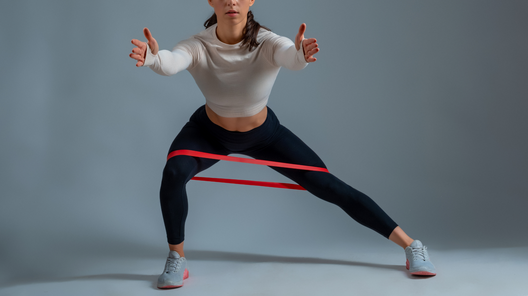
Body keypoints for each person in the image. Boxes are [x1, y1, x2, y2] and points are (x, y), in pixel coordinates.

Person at [129, 0, 436, 289]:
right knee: (173, 172)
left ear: (251, 0)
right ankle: (176, 258)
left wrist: (300, 55)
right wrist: (154, 59)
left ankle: (412, 246)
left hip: (264, 134)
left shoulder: (268, 41)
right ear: (212, 1)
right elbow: (172, 61)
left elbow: (291, 57)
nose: (232, 2)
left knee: (328, 186)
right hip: (209, 132)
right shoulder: (198, 44)